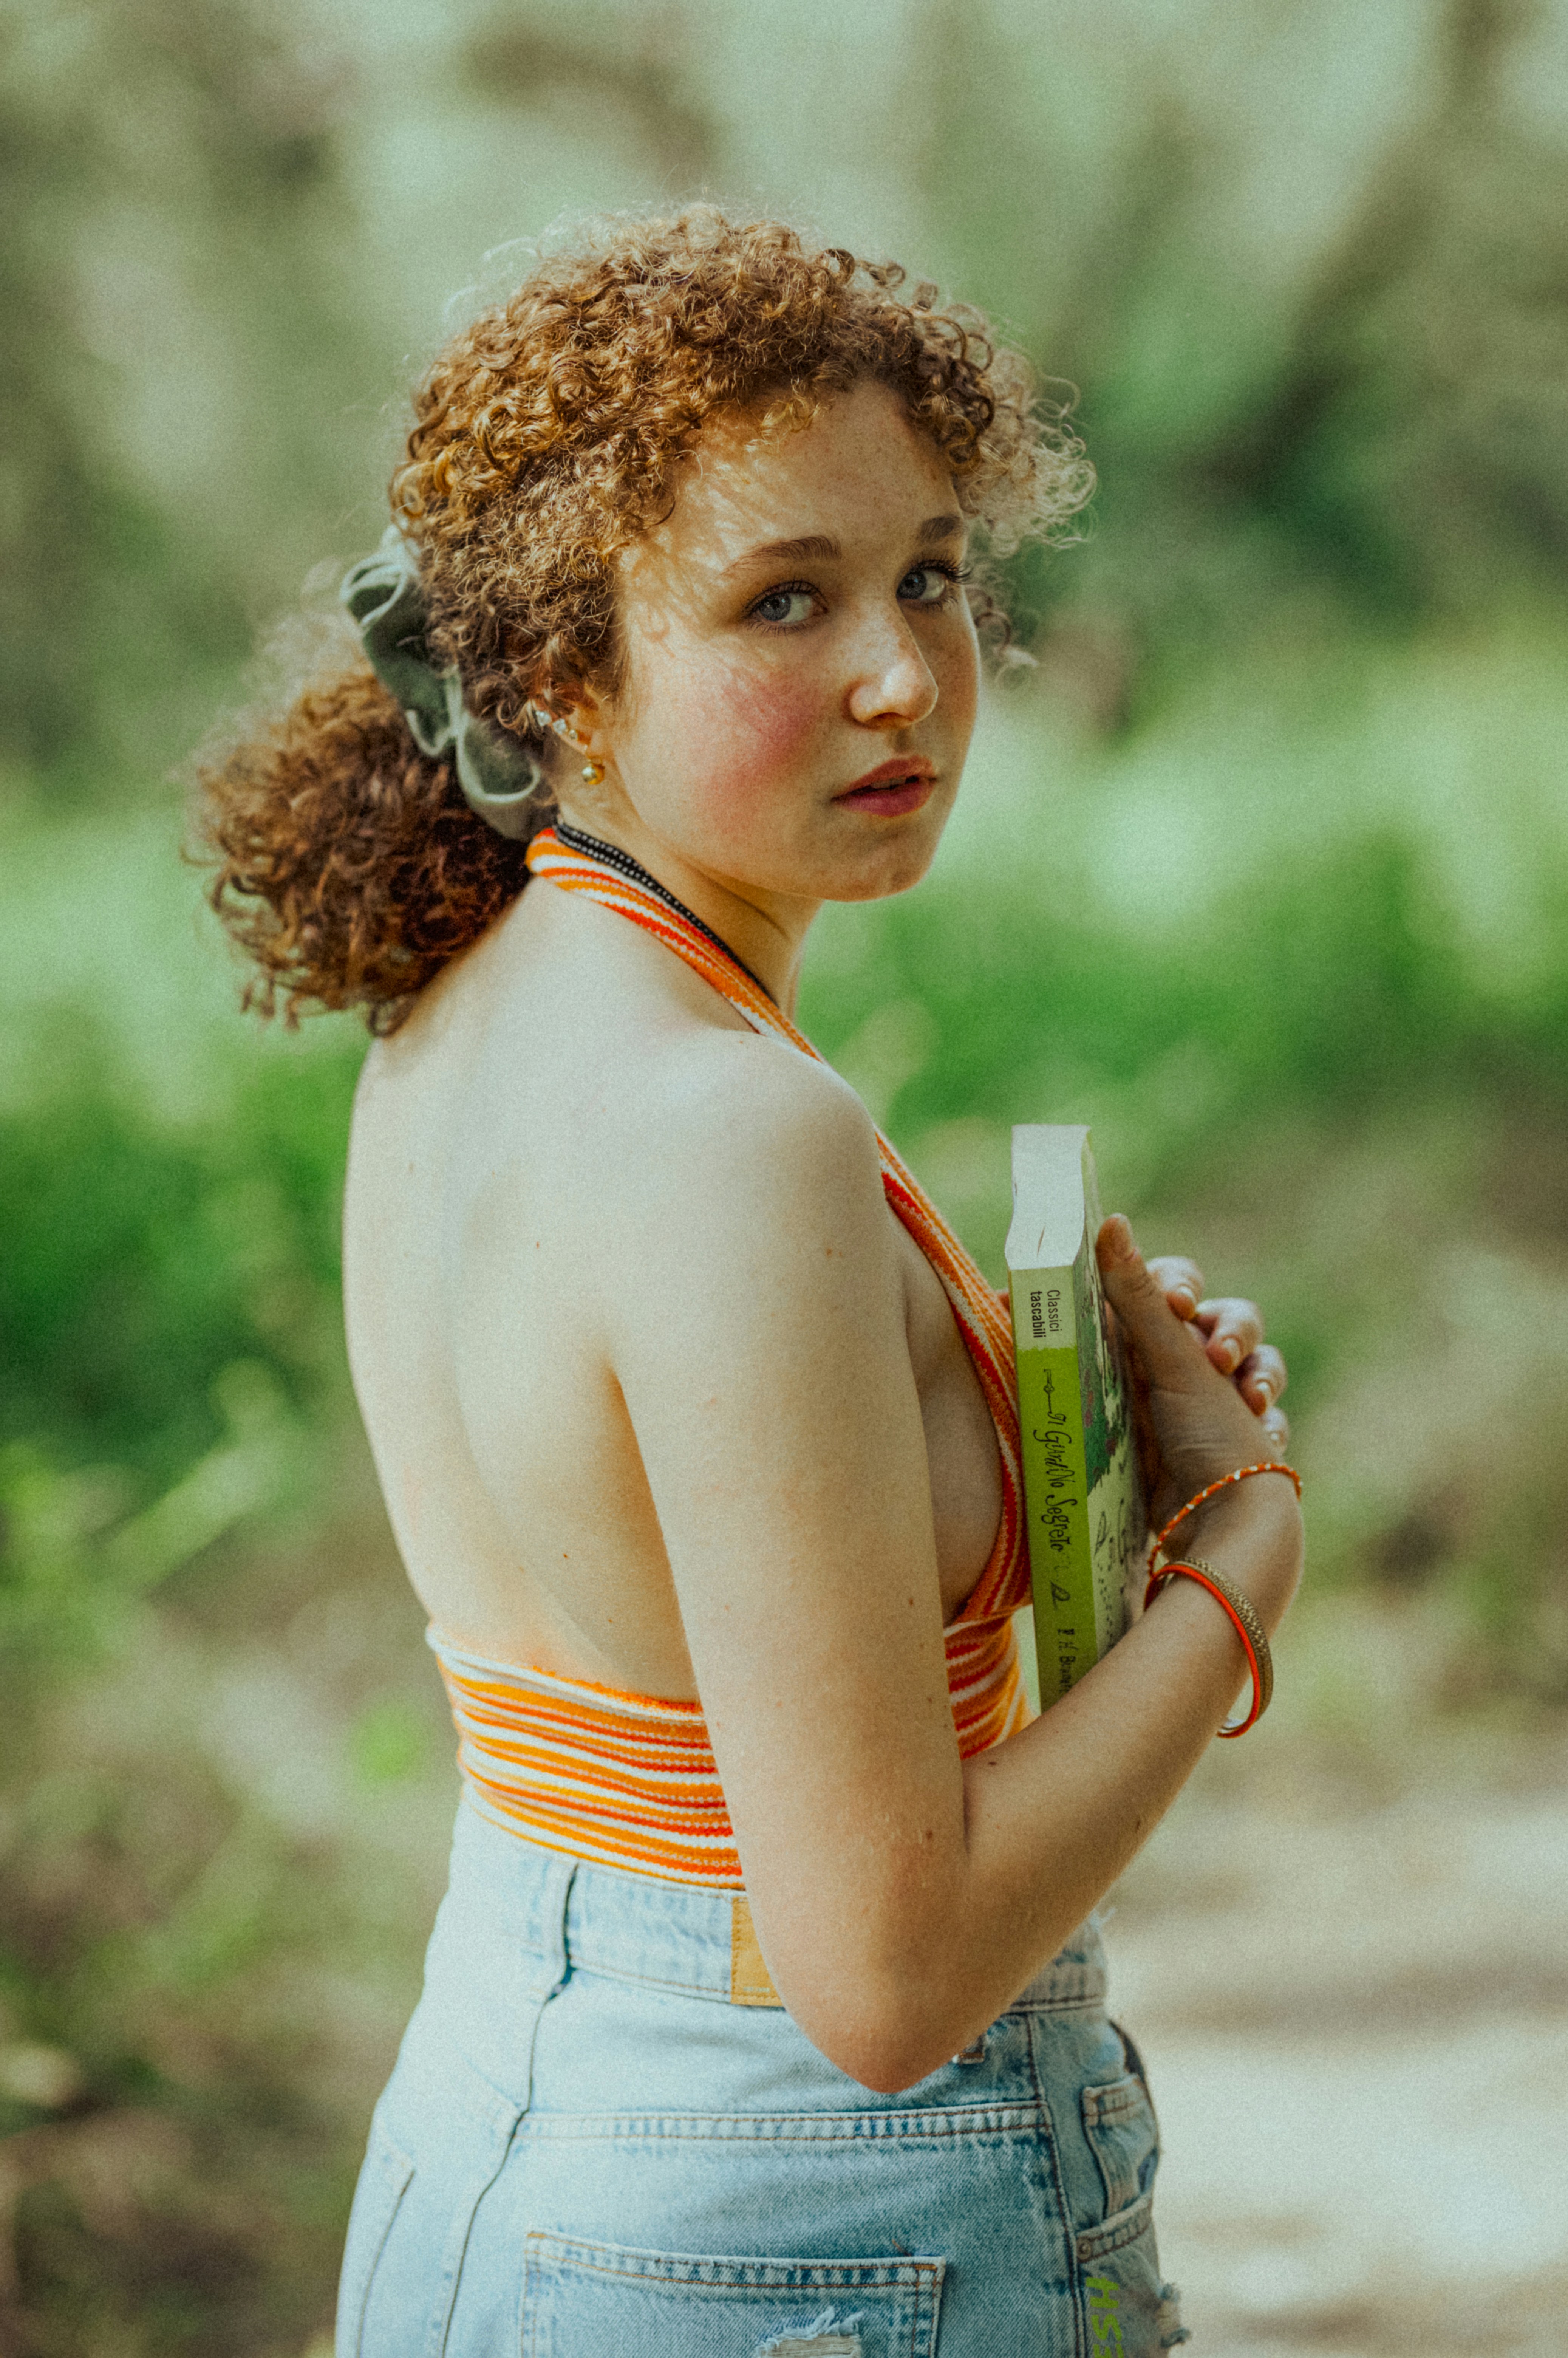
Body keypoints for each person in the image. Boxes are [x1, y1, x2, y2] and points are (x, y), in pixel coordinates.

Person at [198, 208, 1301, 2358]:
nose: (901, 672)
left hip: (492, 2155)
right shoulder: (733, 1134)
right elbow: (885, 1977)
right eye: (782, 600)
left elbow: (685, 1685)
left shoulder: (462, 1025)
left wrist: (1075, 1470)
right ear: (549, 675)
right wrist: (1241, 1559)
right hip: (795, 2245)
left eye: (931, 576)